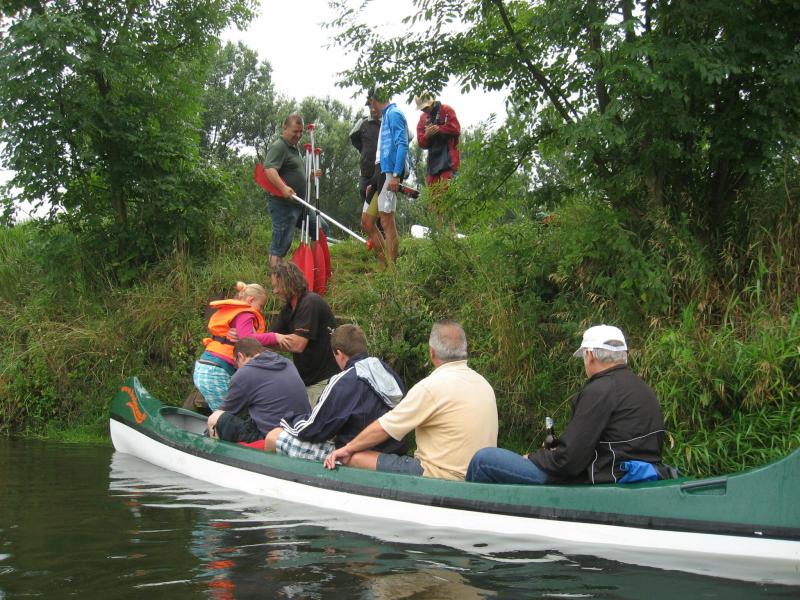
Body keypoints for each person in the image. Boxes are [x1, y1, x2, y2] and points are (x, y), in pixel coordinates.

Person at [466, 325, 667, 485]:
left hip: (601, 476)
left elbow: (569, 461)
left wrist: (534, 458)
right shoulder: (642, 388)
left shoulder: (599, 390)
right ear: (624, 354)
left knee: (484, 460)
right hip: (628, 473)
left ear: (590, 355)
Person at [323, 320, 498, 480]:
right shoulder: (484, 384)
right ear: (464, 350)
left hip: (439, 477)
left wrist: (347, 448)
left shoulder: (430, 387)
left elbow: (383, 428)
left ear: (432, 352)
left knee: (354, 457)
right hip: (478, 477)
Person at [263, 324, 408, 461]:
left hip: (356, 455)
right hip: (393, 452)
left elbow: (314, 429)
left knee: (274, 437)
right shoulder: (386, 370)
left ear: (338, 353)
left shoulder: (345, 380)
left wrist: (288, 420)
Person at [193, 281, 287, 411]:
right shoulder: (245, 314)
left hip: (206, 367)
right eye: (260, 305)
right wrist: (275, 336)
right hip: (216, 372)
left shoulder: (233, 310)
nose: (260, 310)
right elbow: (247, 338)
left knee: (225, 414)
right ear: (251, 300)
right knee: (226, 416)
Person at [207, 338, 310, 443]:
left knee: (217, 418)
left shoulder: (244, 373)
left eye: (236, 363)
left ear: (240, 356)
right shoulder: (287, 362)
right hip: (302, 432)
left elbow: (224, 412)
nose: (237, 368)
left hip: (272, 439)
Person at [265, 262, 340, 406]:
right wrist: (248, 337)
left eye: (277, 286)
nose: (275, 291)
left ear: (288, 282)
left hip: (324, 380)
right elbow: (269, 338)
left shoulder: (310, 302)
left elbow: (298, 345)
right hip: (305, 380)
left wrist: (269, 340)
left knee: (312, 418)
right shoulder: (288, 309)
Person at [262, 114, 320, 268]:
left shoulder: (294, 149)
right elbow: (269, 169)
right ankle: (276, 279)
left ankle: (313, 269)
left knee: (319, 229)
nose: (299, 135)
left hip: (300, 204)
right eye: (295, 131)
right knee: (281, 246)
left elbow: (294, 174)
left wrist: (309, 176)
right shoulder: (279, 146)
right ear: (285, 128)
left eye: (301, 131)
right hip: (284, 205)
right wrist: (283, 187)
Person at [365, 88, 409, 265]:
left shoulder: (395, 113)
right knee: (367, 221)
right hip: (379, 172)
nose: (371, 107)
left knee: (387, 221)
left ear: (374, 100)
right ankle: (384, 265)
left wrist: (396, 175)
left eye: (370, 103)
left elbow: (402, 144)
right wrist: (373, 181)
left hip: (390, 172)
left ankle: (392, 273)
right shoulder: (385, 116)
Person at [349, 103, 386, 268]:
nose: (372, 109)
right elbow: (354, 138)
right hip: (367, 173)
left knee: (381, 215)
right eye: (370, 106)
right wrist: (365, 151)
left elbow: (408, 137)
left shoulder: (388, 121)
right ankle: (377, 246)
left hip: (383, 173)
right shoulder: (362, 123)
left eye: (374, 105)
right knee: (367, 218)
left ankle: (385, 259)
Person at [415, 94, 460, 198]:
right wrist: (427, 135)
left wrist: (439, 129)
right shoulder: (422, 119)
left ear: (431, 102)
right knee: (433, 199)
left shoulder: (447, 110)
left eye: (426, 107)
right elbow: (421, 142)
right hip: (433, 165)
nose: (424, 110)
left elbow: (456, 129)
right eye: (422, 109)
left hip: (449, 162)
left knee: (446, 197)